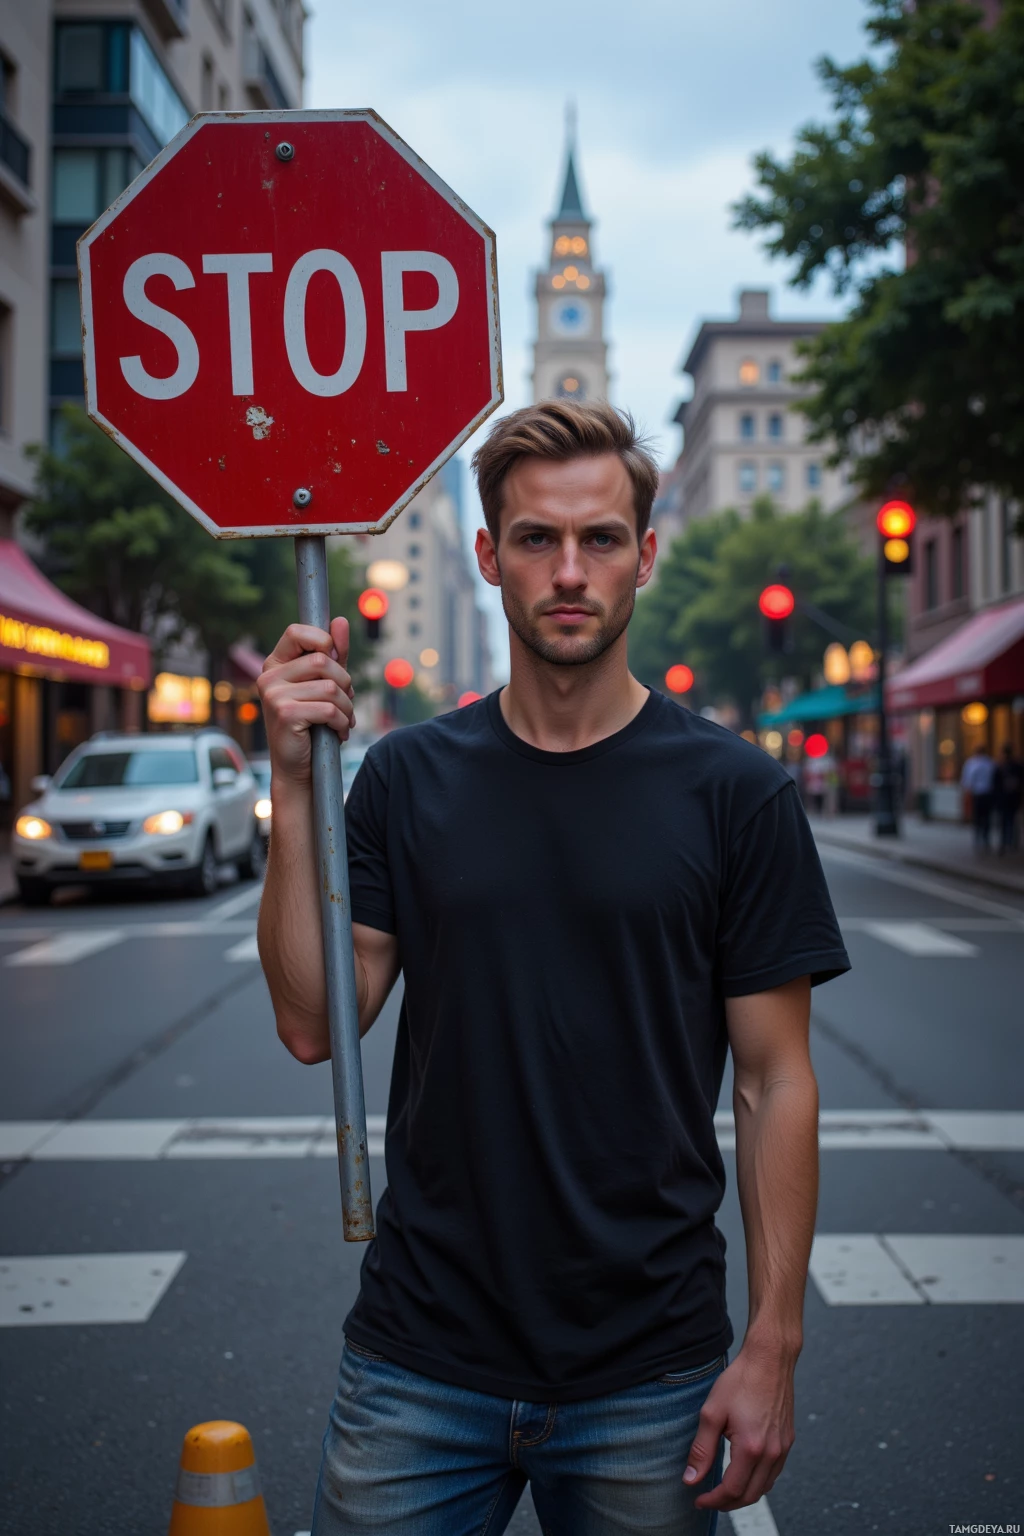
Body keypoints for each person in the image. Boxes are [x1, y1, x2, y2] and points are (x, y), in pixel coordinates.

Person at [257, 401, 851, 1536]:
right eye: (535, 539)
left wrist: (773, 1342)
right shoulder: (402, 780)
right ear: (488, 555)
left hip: (651, 1371)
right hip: (418, 1360)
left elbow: (776, 1081)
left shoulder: (736, 794)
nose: (568, 571)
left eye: (600, 539)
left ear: (645, 553)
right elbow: (314, 1023)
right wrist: (293, 787)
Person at [961, 742, 996, 850]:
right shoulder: (989, 763)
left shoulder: (973, 763)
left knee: (980, 818)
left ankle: (980, 839)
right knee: (984, 818)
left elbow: (967, 780)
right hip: (984, 794)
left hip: (979, 794)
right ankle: (983, 839)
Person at [993, 742, 1023, 854]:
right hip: (1011, 799)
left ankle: (1006, 843)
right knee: (1011, 821)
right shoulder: (1011, 766)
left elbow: (995, 784)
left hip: (1006, 799)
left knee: (1006, 822)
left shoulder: (1002, 766)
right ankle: (1010, 843)